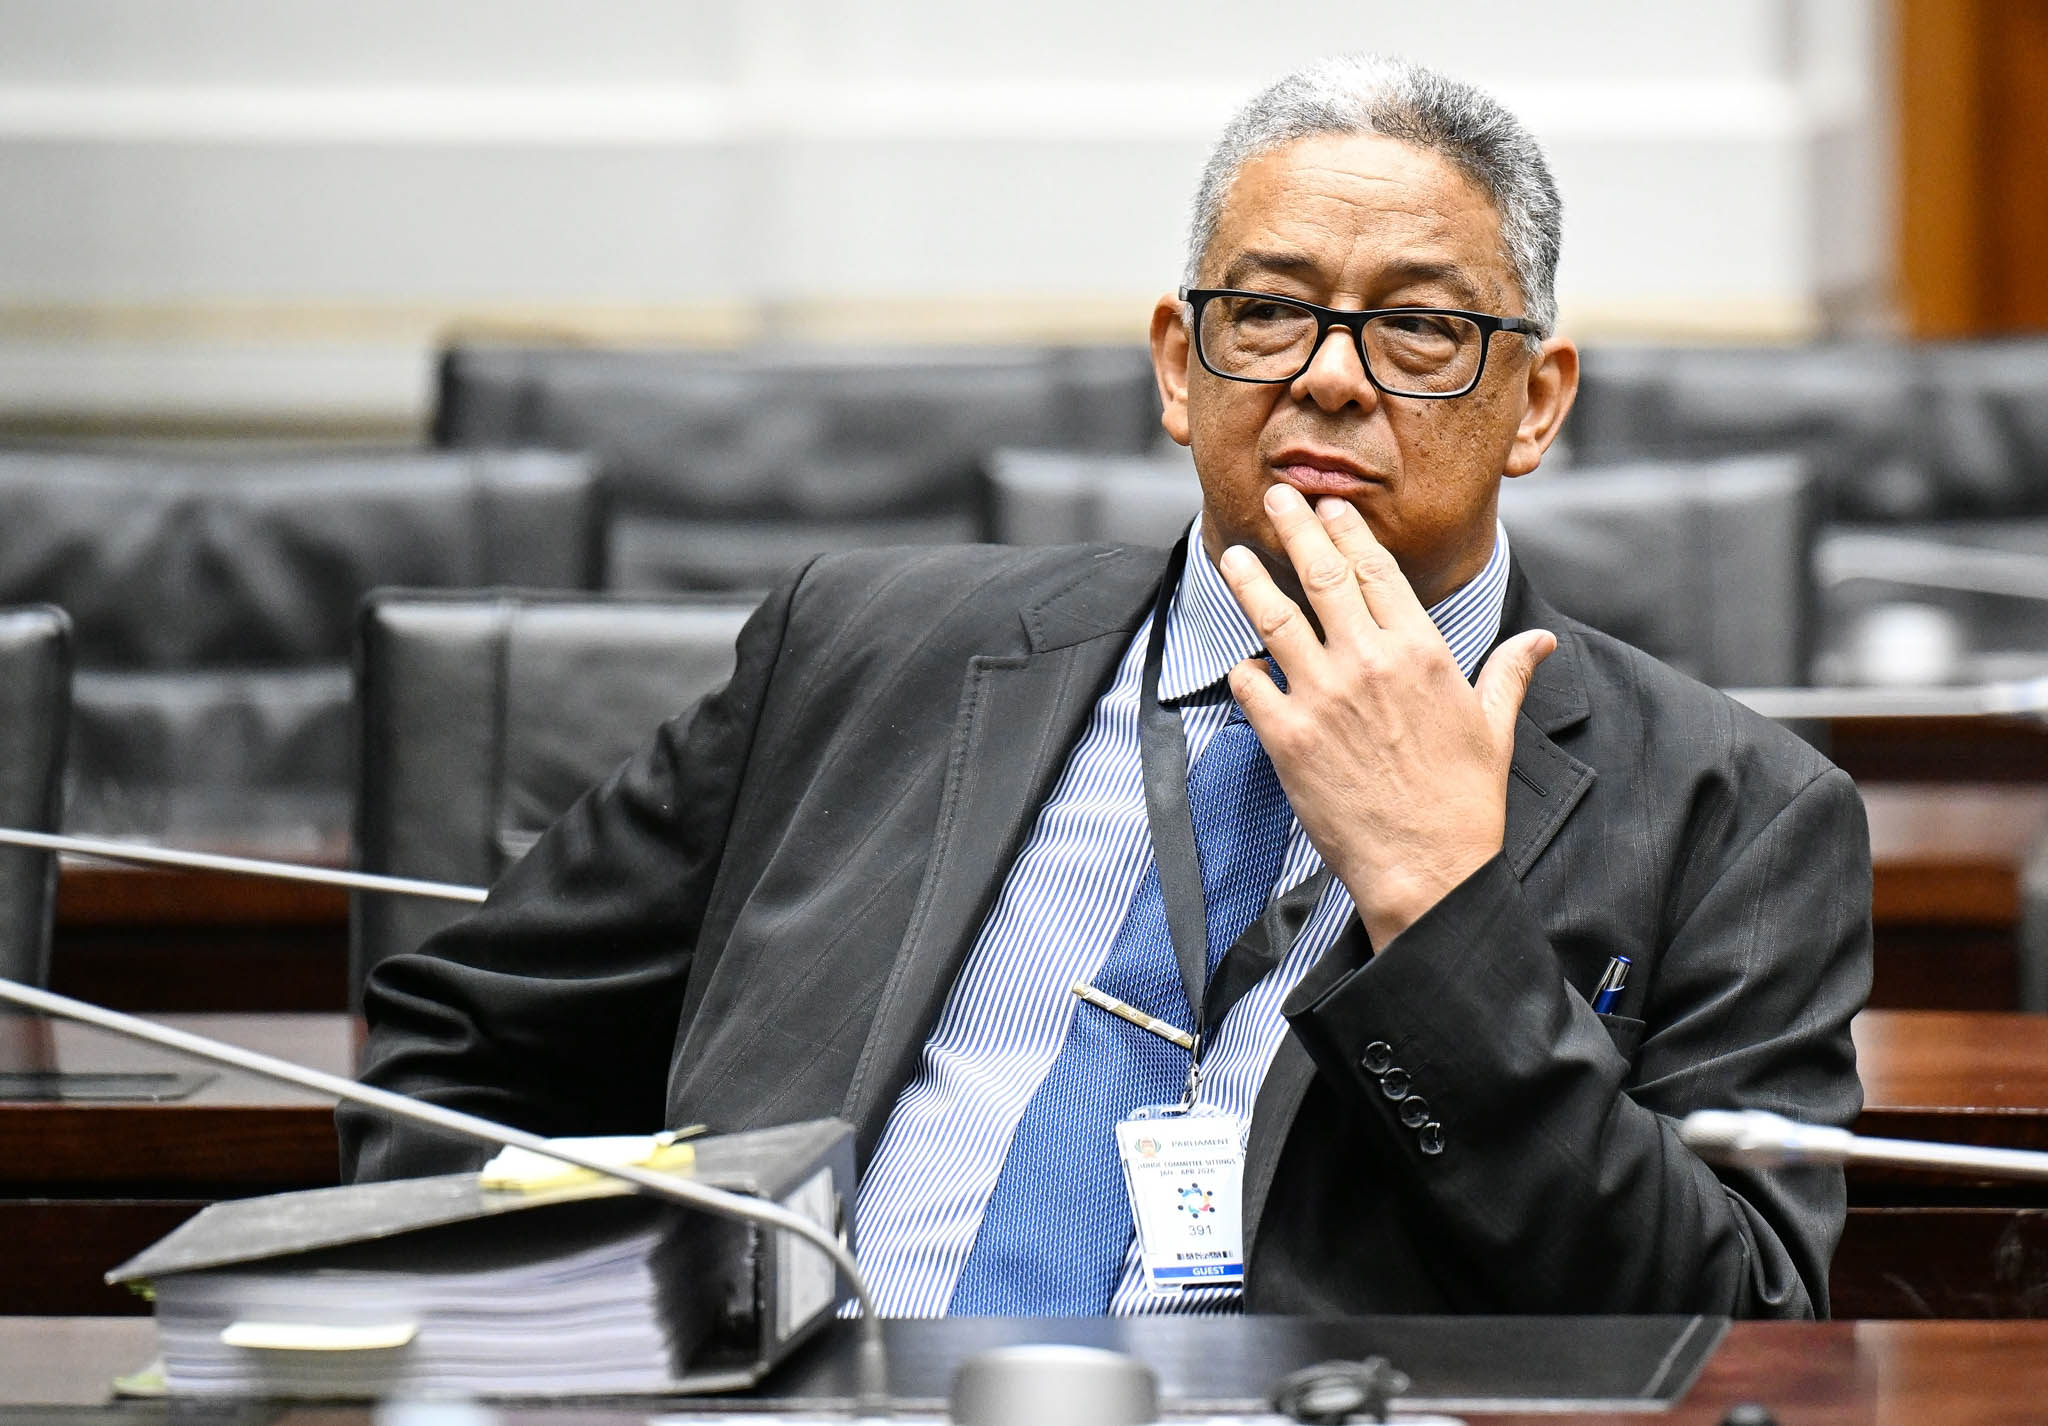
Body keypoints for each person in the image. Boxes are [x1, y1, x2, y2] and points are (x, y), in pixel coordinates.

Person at [342, 54, 1869, 1319]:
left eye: (1418, 325)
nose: (1329, 374)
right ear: (1178, 366)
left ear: (1536, 401)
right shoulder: (861, 650)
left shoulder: (1735, 814)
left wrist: (1442, 918)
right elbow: (459, 1050)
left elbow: (1733, 1320)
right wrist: (531, 1341)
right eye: (1268, 310)